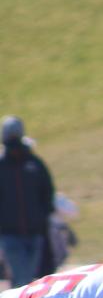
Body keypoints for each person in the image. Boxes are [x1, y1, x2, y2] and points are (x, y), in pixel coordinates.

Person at [0, 116, 56, 287]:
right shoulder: (2, 165)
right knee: (21, 279)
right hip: (10, 233)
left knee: (29, 279)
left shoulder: (34, 164)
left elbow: (47, 192)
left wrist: (42, 217)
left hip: (34, 232)